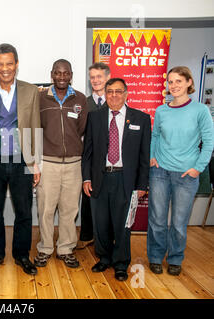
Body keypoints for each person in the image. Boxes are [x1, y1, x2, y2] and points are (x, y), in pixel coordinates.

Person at [0, 43, 41, 275]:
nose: (5, 68)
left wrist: (35, 163)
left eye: (9, 63)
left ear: (16, 64)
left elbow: (34, 127)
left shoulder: (31, 91)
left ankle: (22, 255)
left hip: (23, 161)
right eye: (0, 64)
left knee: (24, 211)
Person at [82, 78, 151, 282]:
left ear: (126, 93)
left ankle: (121, 263)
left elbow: (144, 156)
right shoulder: (94, 117)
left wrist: (141, 185)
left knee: (123, 224)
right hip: (99, 177)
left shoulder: (141, 118)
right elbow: (88, 152)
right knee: (100, 222)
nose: (114, 95)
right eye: (110, 91)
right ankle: (104, 257)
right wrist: (86, 178)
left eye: (118, 91)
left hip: (126, 179)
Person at [147, 66, 214, 276]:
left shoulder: (200, 110)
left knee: (178, 222)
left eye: (178, 81)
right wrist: (152, 156)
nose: (173, 85)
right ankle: (156, 257)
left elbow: (209, 142)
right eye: (170, 81)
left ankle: (175, 258)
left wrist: (197, 168)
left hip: (186, 175)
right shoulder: (161, 110)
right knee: (157, 219)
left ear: (188, 83)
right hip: (160, 172)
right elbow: (155, 136)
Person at [34, 59, 88, 268]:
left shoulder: (80, 99)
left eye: (66, 73)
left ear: (71, 75)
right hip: (48, 162)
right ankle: (45, 248)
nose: (62, 77)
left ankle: (65, 248)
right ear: (52, 74)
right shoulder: (40, 98)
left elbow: (81, 129)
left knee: (69, 209)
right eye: (58, 73)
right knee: (45, 209)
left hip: (74, 164)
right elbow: (35, 127)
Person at [77, 62, 111, 250]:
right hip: (88, 157)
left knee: (108, 199)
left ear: (107, 77)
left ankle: (106, 237)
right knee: (88, 197)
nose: (95, 80)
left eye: (99, 77)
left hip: (111, 159)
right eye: (92, 77)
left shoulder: (115, 100)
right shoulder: (84, 102)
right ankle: (87, 235)